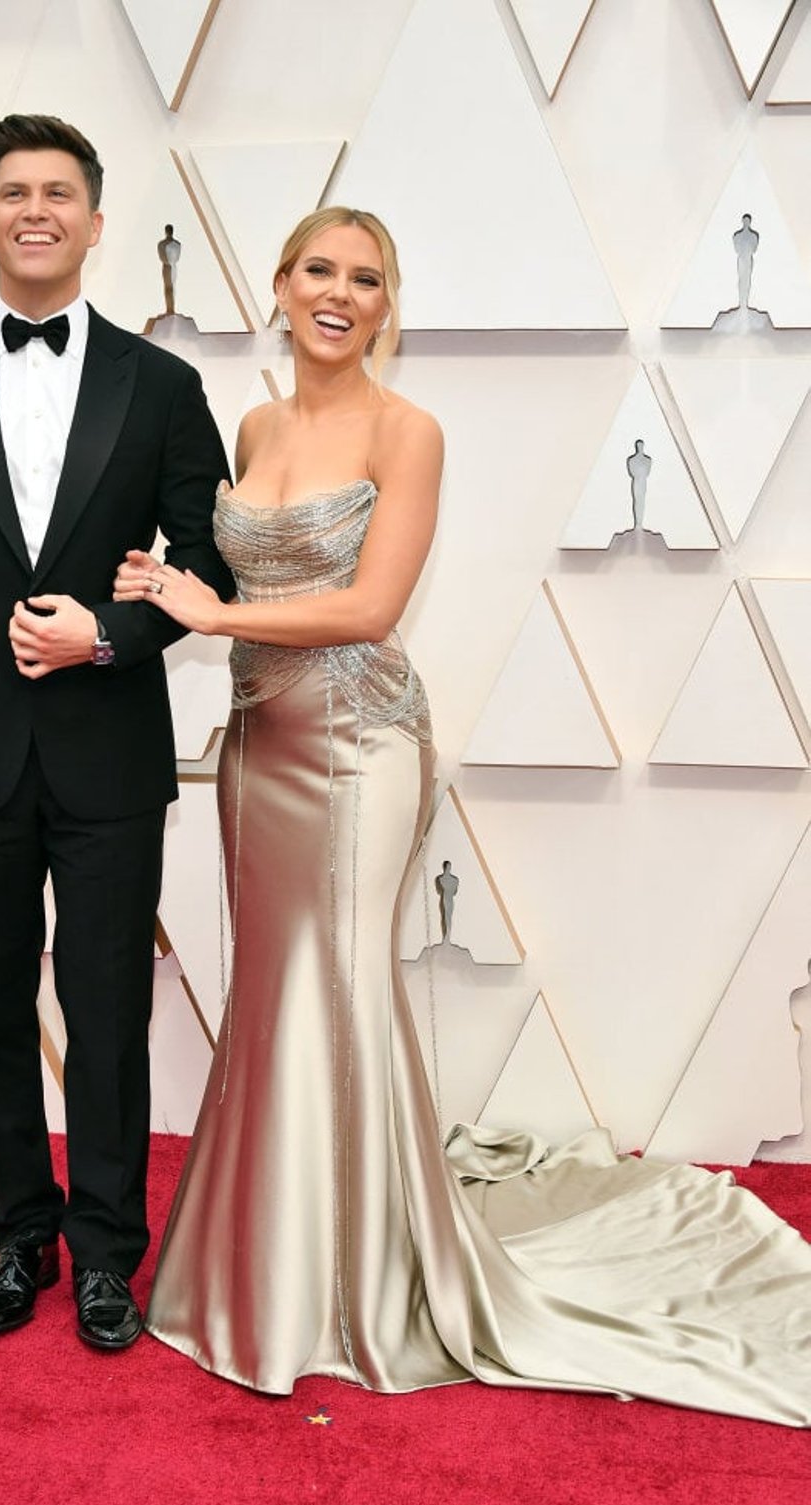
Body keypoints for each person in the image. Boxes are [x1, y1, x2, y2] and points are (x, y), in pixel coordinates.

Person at [112, 205, 811, 1425]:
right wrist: (154, 599)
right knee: (275, 994)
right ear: (278, 286)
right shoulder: (258, 424)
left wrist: (211, 615)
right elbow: (230, 572)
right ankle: (262, 1267)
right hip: (256, 750)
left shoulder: (408, 430)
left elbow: (370, 609)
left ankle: (360, 1286)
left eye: (366, 279)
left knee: (338, 982)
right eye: (319, 270)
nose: (339, 293)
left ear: (387, 306)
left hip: (358, 746)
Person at [0, 114, 233, 1352]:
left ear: (92, 218)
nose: (37, 209)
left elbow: (205, 561)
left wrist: (112, 637)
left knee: (107, 1004)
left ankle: (107, 1256)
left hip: (110, 751)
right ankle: (20, 1235)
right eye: (14, 191)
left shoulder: (165, 386)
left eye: (59, 192)